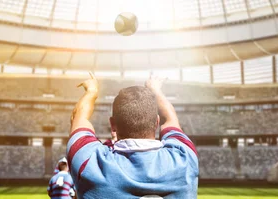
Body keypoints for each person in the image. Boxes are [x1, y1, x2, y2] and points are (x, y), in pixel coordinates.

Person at [66, 73, 199, 198]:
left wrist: (91, 92)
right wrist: (155, 89)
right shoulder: (185, 157)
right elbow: (171, 118)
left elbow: (78, 118)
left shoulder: (89, 162)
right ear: (156, 123)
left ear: (112, 125)